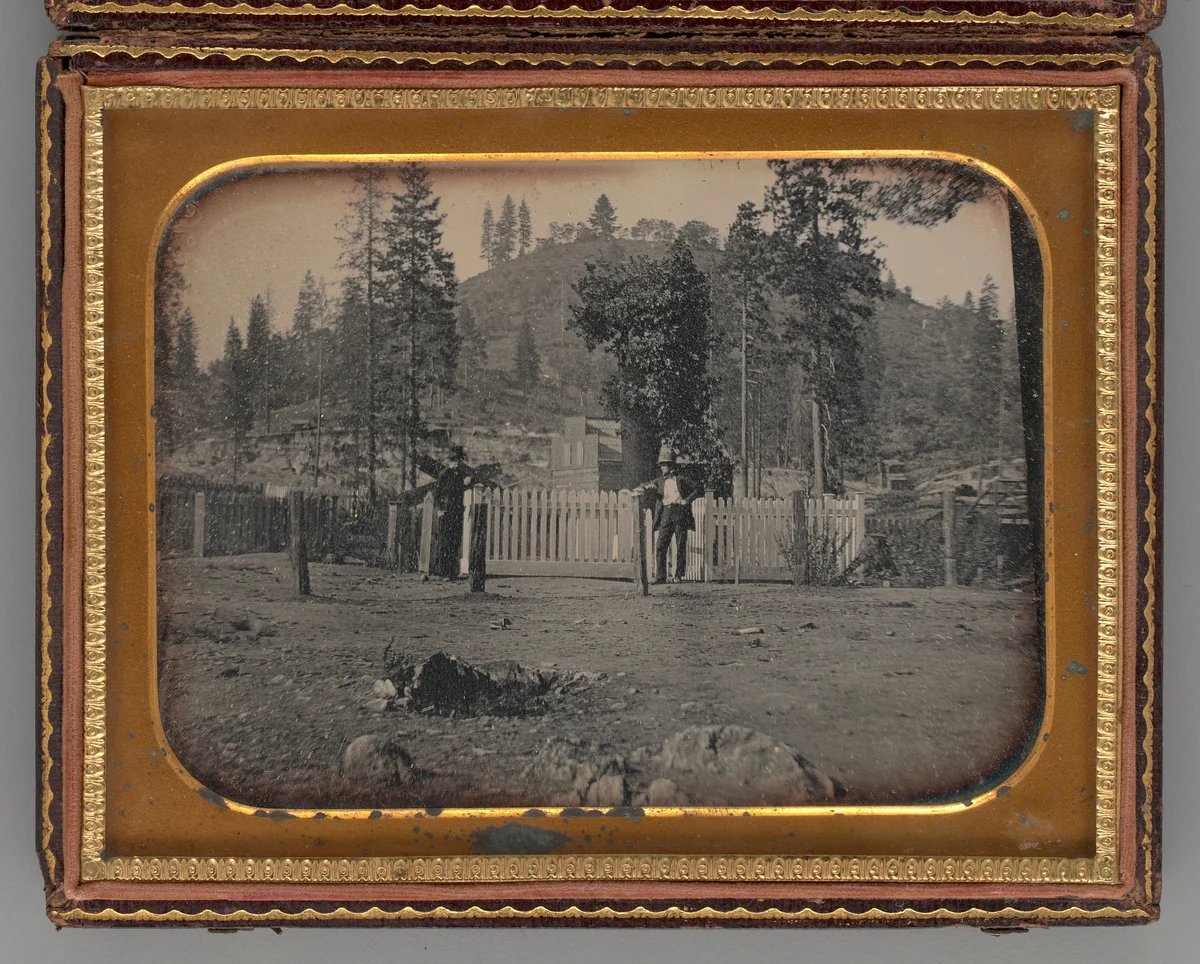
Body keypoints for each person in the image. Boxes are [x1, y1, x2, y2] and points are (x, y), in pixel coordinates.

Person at [637, 445, 699, 584]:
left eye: (664, 466)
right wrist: (647, 487)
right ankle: (661, 576)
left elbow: (697, 488)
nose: (662, 468)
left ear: (671, 466)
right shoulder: (659, 481)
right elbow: (642, 485)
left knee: (680, 544)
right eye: (661, 466)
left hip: (680, 512)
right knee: (660, 545)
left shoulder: (681, 479)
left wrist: (686, 500)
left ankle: (678, 575)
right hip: (665, 513)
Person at [430, 445, 473, 580]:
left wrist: (468, 483)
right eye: (454, 460)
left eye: (459, 460)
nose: (457, 462)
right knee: (445, 542)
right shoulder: (445, 474)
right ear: (450, 460)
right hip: (446, 511)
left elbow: (463, 487)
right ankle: (444, 572)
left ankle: (452, 572)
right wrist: (440, 509)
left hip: (457, 511)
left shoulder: (460, 474)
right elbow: (438, 494)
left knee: (455, 542)